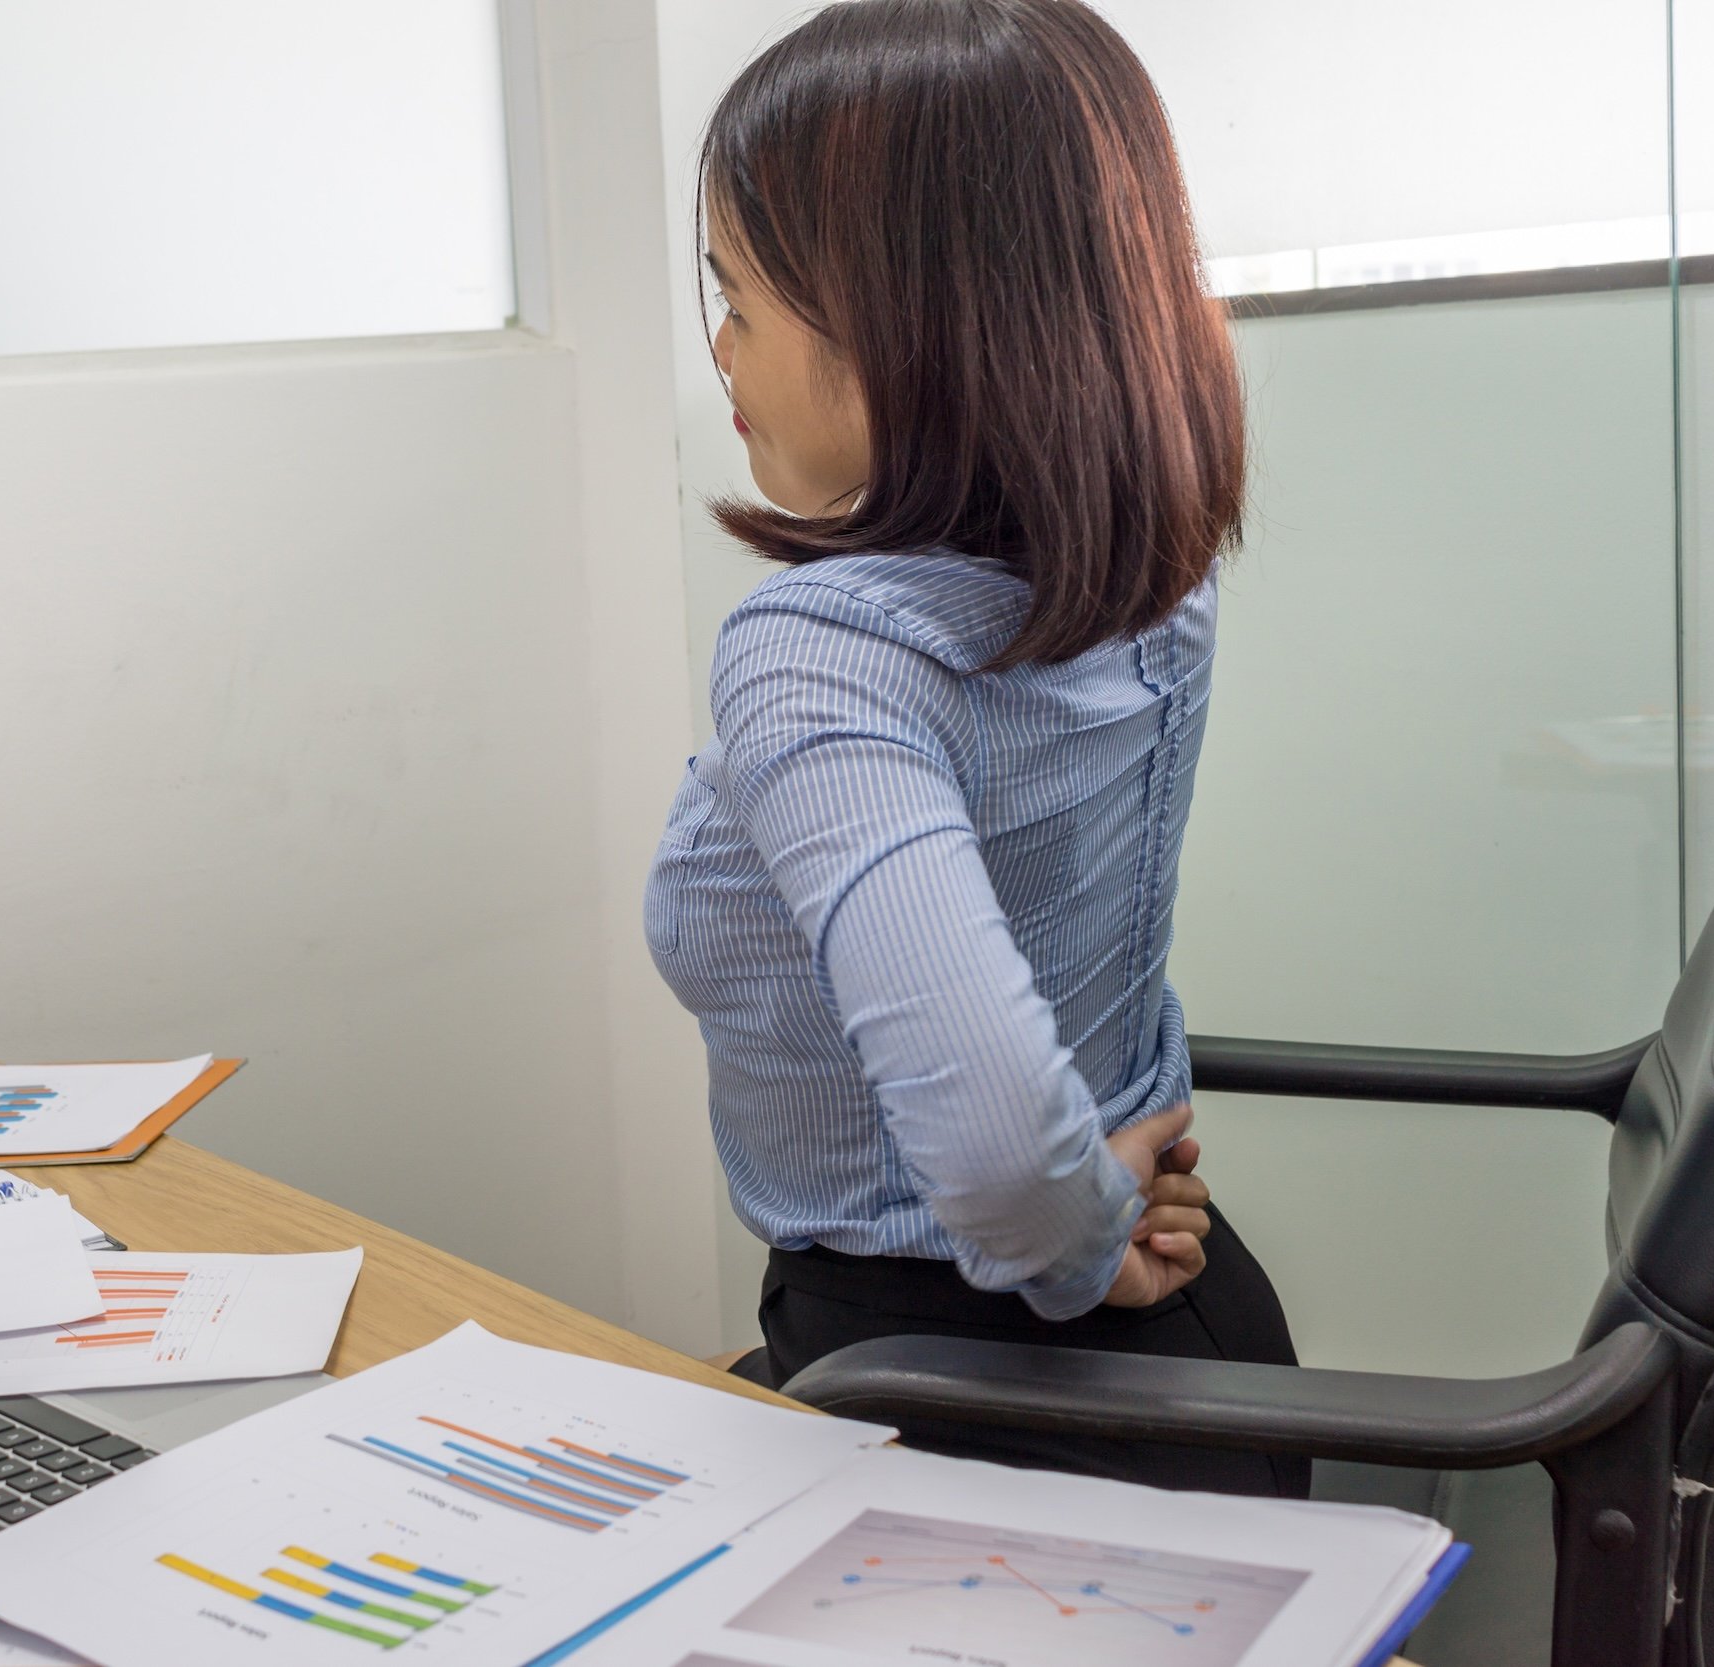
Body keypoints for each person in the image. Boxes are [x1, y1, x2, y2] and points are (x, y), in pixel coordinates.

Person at [647, 0, 1307, 1498]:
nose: (720, 344)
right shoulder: (1150, 578)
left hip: (965, 1395)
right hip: (1196, 1354)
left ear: (912, 326)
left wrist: (1078, 1244)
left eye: (743, 296)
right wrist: (1101, 1221)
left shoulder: (826, 653)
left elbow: (1011, 1159)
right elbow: (1077, 947)